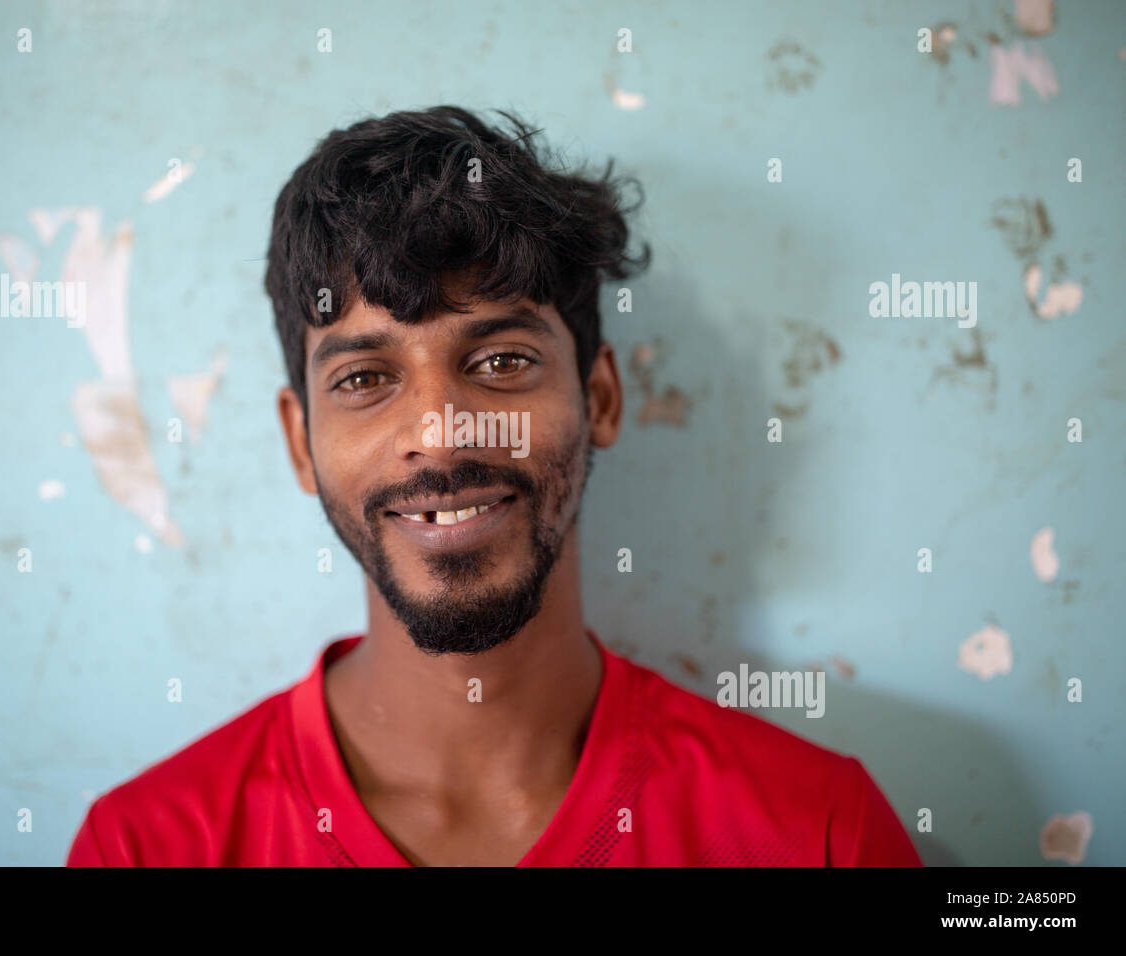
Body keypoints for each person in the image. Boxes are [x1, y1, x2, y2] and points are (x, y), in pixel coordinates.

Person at [66, 106, 922, 866]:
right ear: (301, 440)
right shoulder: (143, 848)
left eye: (502, 361)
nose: (441, 435)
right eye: (365, 379)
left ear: (599, 397)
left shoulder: (816, 836)